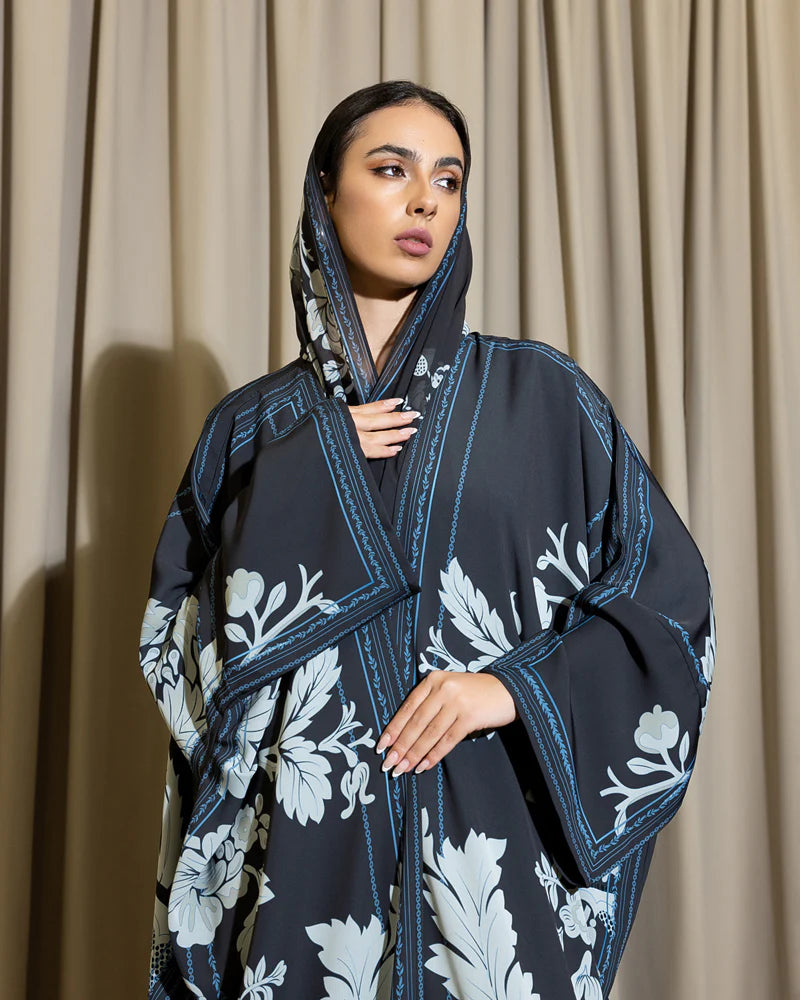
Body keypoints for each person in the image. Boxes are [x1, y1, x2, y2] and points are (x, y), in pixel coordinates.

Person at [140, 81, 715, 1000]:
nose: (425, 202)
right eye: (391, 170)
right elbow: (177, 661)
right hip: (302, 879)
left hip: (491, 876)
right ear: (325, 193)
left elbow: (669, 604)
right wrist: (307, 478)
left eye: (448, 180)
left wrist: (514, 689)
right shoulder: (253, 429)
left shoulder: (542, 400)